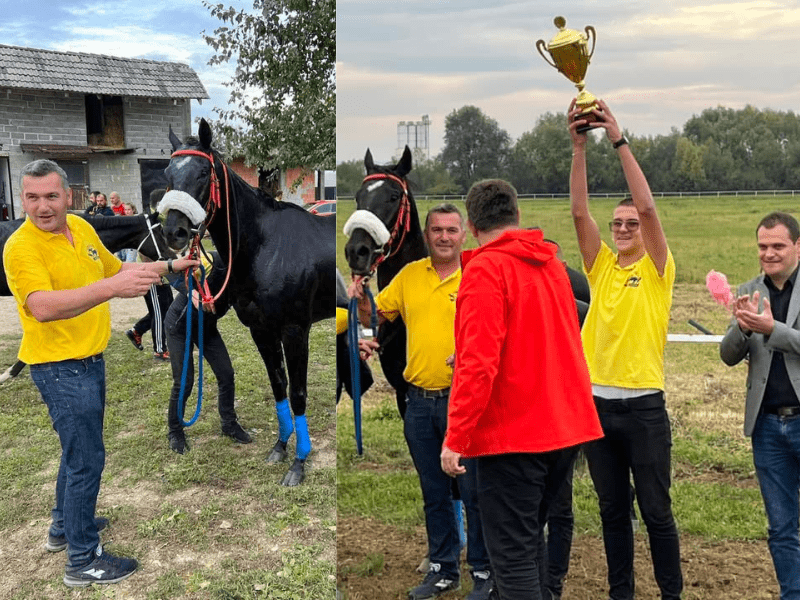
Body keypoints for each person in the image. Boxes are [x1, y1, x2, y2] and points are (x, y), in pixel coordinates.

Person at [3, 159, 197, 588]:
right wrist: (111, 290)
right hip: (58, 368)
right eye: (32, 198)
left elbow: (115, 270)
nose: (42, 207)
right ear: (22, 199)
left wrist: (168, 268)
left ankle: (62, 527)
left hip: (90, 359)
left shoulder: (81, 228)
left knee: (78, 454)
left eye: (51, 196)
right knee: (87, 460)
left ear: (67, 195)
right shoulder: (21, 247)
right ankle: (82, 560)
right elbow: (43, 307)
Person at [440, 180, 602, 600]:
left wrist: (456, 437)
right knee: (530, 545)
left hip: (513, 437)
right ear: (517, 216)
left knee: (510, 561)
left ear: (471, 225)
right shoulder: (549, 266)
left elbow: (478, 364)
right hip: (563, 430)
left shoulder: (484, 270)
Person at [568, 97, 682, 600]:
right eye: (617, 224)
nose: (622, 229)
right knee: (611, 512)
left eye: (630, 223)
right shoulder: (601, 266)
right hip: (595, 407)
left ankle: (671, 593)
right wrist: (578, 148)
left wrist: (617, 139)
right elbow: (577, 211)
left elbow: (651, 206)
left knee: (656, 511)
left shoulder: (658, 267)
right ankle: (621, 595)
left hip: (643, 407)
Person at [350, 204, 493, 600]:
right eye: (437, 230)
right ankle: (444, 569)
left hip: (465, 403)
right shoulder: (410, 275)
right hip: (418, 403)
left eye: (451, 230)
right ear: (426, 235)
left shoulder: (478, 275)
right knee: (434, 493)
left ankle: (483, 572)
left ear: (464, 234)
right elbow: (375, 316)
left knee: (474, 491)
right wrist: (362, 311)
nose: (444, 237)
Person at [720, 211, 800, 600]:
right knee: (781, 526)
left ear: (797, 246)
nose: (769, 254)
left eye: (778, 246)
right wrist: (744, 327)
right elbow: (728, 355)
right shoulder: (750, 290)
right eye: (763, 247)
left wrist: (774, 331)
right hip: (768, 427)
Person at [164, 252, 252, 454]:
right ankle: (175, 431)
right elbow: (173, 271)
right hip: (179, 326)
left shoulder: (246, 275)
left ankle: (229, 424)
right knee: (184, 382)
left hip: (206, 328)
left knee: (226, 374)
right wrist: (191, 292)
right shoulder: (215, 261)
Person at [126, 278, 173, 359]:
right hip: (154, 281)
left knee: (168, 311)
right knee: (159, 314)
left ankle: (137, 330)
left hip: (164, 279)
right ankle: (160, 350)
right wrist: (155, 277)